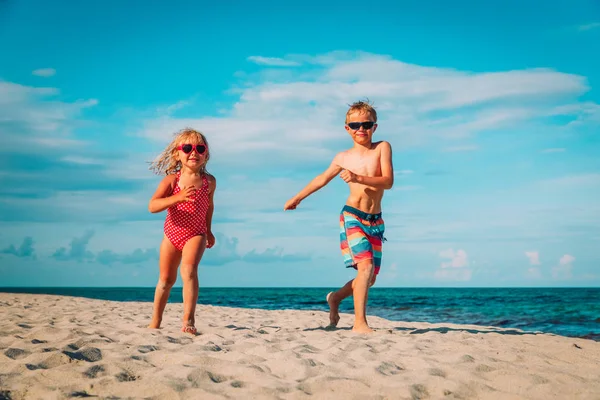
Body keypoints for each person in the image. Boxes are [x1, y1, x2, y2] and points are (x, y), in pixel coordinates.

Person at [284, 100, 394, 333]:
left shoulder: (382, 147)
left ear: (375, 127)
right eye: (355, 125)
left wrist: (358, 178)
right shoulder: (343, 157)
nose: (360, 129)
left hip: (375, 221)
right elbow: (322, 179)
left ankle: (335, 298)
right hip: (352, 216)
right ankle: (360, 323)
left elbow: (388, 181)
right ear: (347, 128)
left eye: (366, 124)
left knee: (369, 278)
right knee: (365, 268)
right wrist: (297, 198)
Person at [147, 128, 216, 335]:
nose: (193, 152)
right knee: (166, 280)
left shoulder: (209, 182)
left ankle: (188, 321)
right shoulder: (172, 181)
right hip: (172, 233)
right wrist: (177, 198)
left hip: (196, 233)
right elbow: (153, 206)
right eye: (187, 148)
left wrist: (209, 230)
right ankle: (156, 320)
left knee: (189, 271)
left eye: (199, 148)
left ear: (206, 154)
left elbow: (209, 206)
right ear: (177, 154)